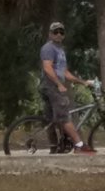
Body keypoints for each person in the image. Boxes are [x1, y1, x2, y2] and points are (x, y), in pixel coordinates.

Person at [39, 21, 96, 154]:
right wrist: (59, 84)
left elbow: (65, 72)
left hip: (54, 84)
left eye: (61, 32)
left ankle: (58, 146)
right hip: (51, 85)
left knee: (53, 118)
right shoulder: (48, 48)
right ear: (50, 34)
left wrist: (83, 82)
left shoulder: (60, 50)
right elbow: (47, 68)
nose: (58, 34)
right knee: (64, 116)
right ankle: (79, 145)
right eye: (55, 32)